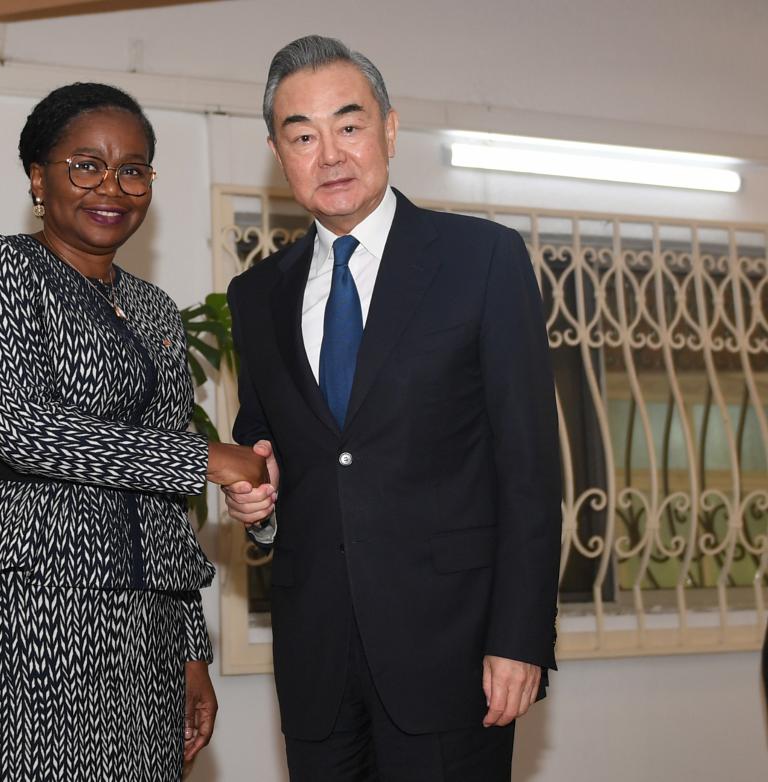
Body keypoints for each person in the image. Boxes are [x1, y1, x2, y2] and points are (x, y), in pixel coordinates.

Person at [223, 36, 562, 780]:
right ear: (278, 153)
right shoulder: (256, 296)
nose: (330, 155)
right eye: (302, 137)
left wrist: (520, 637)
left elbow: (530, 467)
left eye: (349, 126)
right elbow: (267, 445)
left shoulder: (482, 260)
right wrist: (258, 498)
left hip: (456, 654)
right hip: (316, 661)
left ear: (390, 130)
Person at [0, 82, 267, 781]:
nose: (111, 186)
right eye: (86, 165)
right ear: (38, 177)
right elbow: (22, 430)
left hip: (148, 624)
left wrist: (191, 651)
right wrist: (210, 458)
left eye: (132, 169)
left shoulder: (154, 309)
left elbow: (165, 502)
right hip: (32, 604)